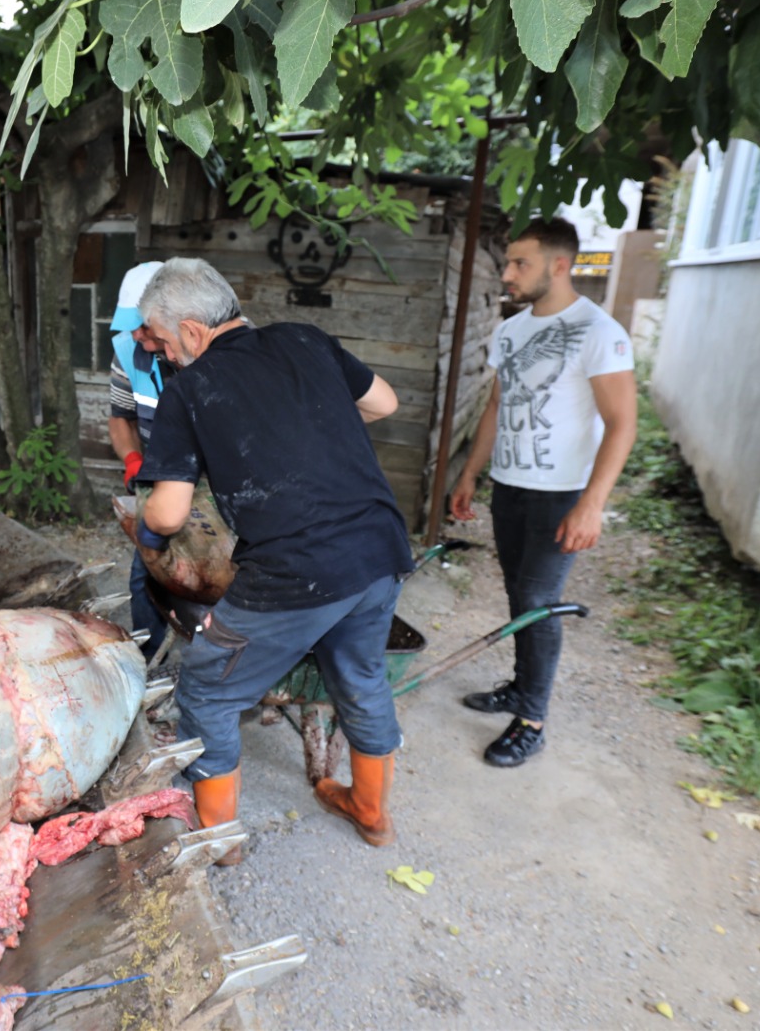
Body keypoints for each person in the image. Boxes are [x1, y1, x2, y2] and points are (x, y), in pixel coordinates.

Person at [131, 258, 414, 857]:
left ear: (190, 331)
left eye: (159, 339)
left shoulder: (191, 388)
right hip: (379, 550)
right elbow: (384, 403)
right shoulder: (304, 338)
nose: (162, 353)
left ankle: (218, 837)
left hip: (297, 570)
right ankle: (371, 811)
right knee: (360, 678)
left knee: (207, 689)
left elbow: (168, 514)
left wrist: (146, 534)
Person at [450, 217, 637, 767]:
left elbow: (622, 423)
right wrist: (470, 474)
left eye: (519, 263)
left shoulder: (599, 332)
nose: (507, 274)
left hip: (562, 494)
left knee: (537, 605)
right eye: (508, 262)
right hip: (510, 487)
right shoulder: (510, 332)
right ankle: (520, 685)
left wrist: (593, 503)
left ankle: (531, 719)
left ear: (560, 265)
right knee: (520, 597)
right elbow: (495, 407)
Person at [107, 260, 170, 661]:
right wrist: (132, 459)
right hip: (162, 483)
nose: (134, 335)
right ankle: (146, 664)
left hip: (222, 490)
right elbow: (121, 418)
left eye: (144, 327)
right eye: (131, 325)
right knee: (143, 578)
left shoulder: (214, 353)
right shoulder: (129, 351)